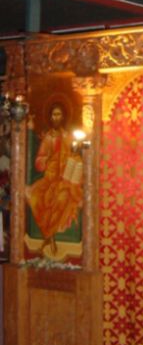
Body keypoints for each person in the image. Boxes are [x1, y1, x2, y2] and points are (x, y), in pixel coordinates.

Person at [26, 103, 83, 254]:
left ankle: (49, 234)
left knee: (61, 198)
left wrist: (73, 157)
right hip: (49, 179)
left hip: (65, 179)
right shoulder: (48, 138)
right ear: (50, 117)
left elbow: (74, 155)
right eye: (53, 114)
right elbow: (39, 162)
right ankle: (49, 236)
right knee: (36, 198)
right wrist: (47, 159)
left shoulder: (68, 136)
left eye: (58, 114)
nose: (56, 117)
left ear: (63, 117)